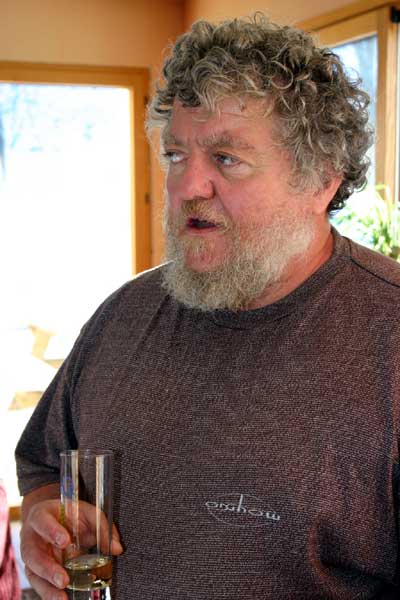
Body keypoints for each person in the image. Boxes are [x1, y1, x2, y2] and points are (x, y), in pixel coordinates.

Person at [15, 13, 400, 600]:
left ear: (321, 179)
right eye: (175, 155)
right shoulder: (123, 315)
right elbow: (46, 466)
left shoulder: (388, 338)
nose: (187, 186)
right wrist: (44, 524)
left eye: (226, 158)